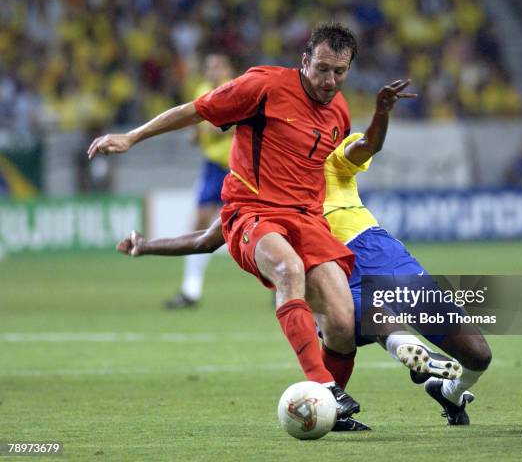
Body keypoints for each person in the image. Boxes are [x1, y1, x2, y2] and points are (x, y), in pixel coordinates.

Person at [89, 23, 416, 419]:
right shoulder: (263, 86)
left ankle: (331, 412)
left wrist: (148, 246)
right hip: (253, 211)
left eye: (340, 72)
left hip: (307, 221)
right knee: (288, 268)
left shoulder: (340, 112)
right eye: (323, 69)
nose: (330, 81)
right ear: (304, 60)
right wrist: (131, 137)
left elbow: (206, 240)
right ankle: (324, 386)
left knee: (343, 320)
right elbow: (196, 110)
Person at [117, 91, 492, 428]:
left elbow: (369, 145)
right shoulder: (260, 191)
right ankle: (402, 353)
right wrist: (146, 245)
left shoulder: (329, 155)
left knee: (477, 354)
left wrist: (381, 113)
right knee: (351, 311)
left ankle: (449, 390)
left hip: (376, 249)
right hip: (328, 264)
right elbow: (205, 239)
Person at [165, 54, 234, 310]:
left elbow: (226, 127)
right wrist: (195, 133)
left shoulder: (237, 89)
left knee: (259, 226)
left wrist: (204, 128)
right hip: (213, 167)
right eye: (209, 66)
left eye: (218, 66)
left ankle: (280, 284)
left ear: (228, 69)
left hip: (238, 167)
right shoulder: (203, 90)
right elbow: (198, 127)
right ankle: (190, 290)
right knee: (200, 223)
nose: (213, 71)